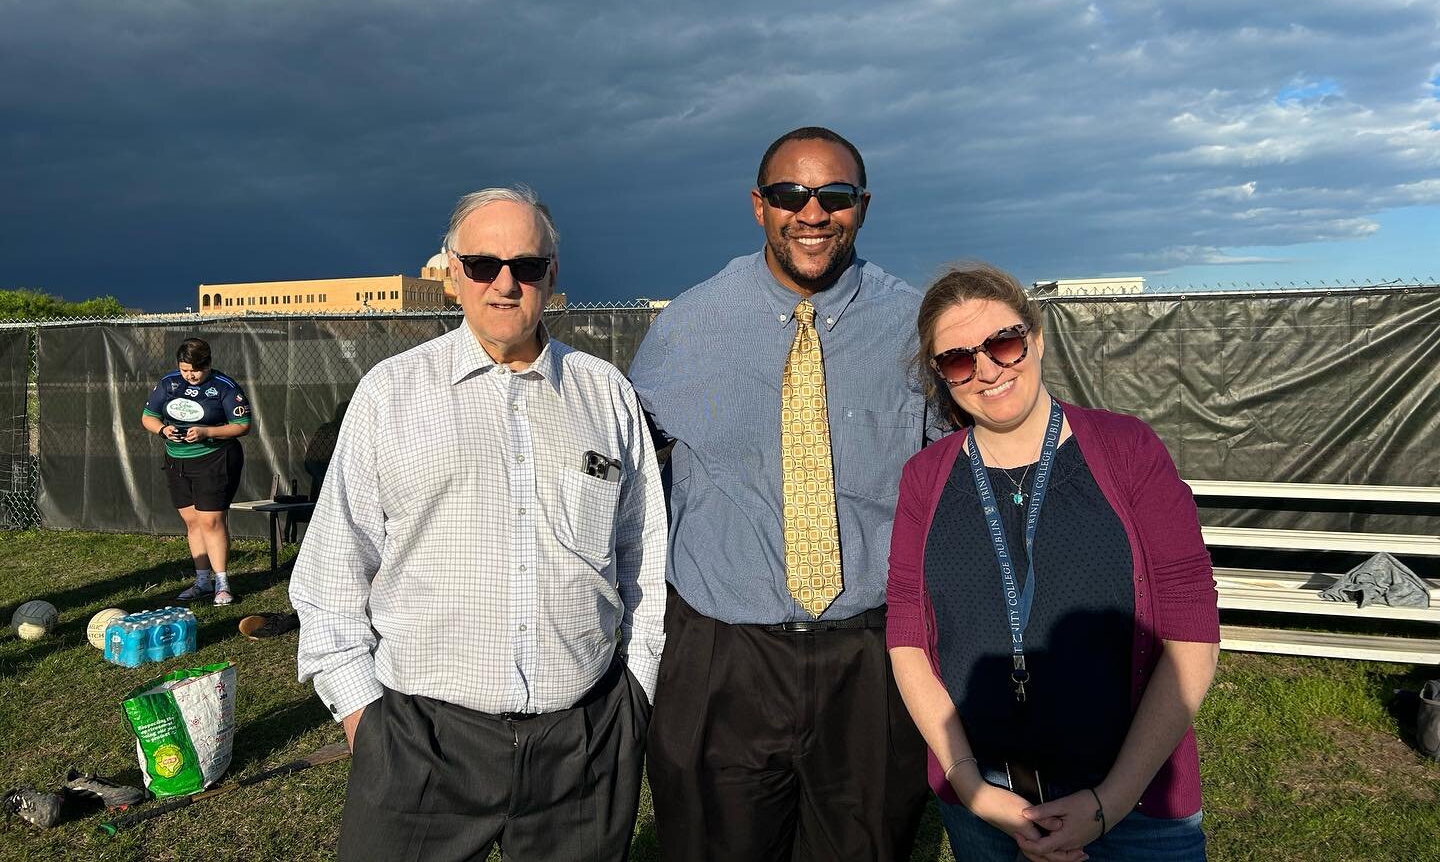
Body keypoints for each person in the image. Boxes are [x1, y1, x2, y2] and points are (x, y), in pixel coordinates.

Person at [290, 186, 667, 862]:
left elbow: (644, 554)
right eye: (482, 264)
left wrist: (635, 691)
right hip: (419, 740)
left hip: (582, 743)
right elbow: (332, 569)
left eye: (525, 266)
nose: (503, 283)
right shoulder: (391, 393)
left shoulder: (604, 393)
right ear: (451, 273)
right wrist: (364, 720)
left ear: (552, 275)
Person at [629, 126, 933, 862]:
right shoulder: (689, 327)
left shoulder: (915, 327)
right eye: (791, 195)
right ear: (758, 205)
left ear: (862, 206)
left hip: (869, 655)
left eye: (835, 196)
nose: (813, 213)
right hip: (724, 655)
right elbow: (626, 464)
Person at [886, 263, 1220, 862]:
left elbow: (1190, 623)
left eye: (1003, 344)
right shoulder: (924, 479)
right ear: (942, 376)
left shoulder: (1128, 449)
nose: (987, 369)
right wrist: (970, 785)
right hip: (987, 807)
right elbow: (907, 635)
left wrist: (1110, 802)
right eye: (960, 359)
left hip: (1134, 807)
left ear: (1035, 338)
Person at [142, 337, 251, 606]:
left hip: (214, 460)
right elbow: (148, 417)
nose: (190, 375)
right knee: (192, 522)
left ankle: (222, 583)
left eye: (196, 370)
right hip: (177, 461)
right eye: (184, 370)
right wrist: (163, 430)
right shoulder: (169, 383)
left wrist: (206, 432)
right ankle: (202, 581)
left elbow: (242, 424)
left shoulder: (224, 387)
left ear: (208, 364)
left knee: (211, 522)